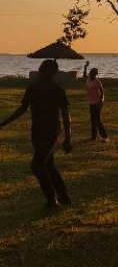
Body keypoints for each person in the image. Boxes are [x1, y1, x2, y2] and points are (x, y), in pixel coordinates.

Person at [0, 60, 72, 209]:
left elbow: (66, 115)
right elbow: (23, 109)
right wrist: (4, 123)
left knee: (37, 166)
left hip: (51, 132)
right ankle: (64, 196)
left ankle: (52, 200)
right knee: (49, 165)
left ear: (51, 73)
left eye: (44, 70)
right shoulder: (32, 88)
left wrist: (67, 137)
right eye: (41, 69)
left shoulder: (57, 90)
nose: (41, 72)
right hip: (37, 132)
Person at [86, 68, 108, 141]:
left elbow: (102, 91)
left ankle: (104, 136)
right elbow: (84, 76)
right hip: (91, 101)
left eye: (94, 73)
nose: (91, 74)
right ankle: (93, 136)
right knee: (93, 119)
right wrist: (86, 66)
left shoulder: (97, 81)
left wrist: (101, 101)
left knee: (97, 119)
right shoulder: (88, 79)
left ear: (95, 74)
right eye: (91, 72)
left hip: (97, 101)